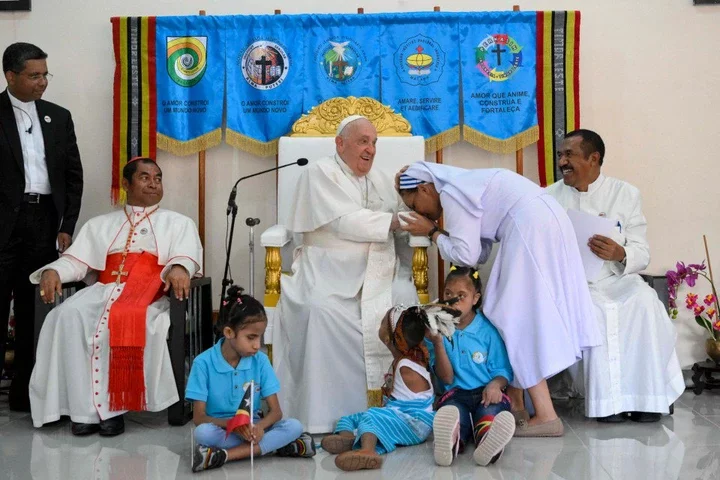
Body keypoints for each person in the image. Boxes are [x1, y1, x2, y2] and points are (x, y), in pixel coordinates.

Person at [397, 162, 602, 437]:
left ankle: (546, 415)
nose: (418, 213)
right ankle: (517, 405)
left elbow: (466, 257)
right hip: (544, 220)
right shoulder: (464, 184)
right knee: (517, 315)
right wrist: (440, 233)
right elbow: (477, 252)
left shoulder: (452, 192)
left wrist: (432, 232)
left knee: (511, 317)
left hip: (530, 226)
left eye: (415, 205)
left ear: (425, 187)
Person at [28, 157, 201, 436]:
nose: (153, 183)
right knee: (66, 315)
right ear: (126, 183)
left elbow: (186, 256)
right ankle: (83, 411)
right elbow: (76, 262)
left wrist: (180, 267)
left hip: (150, 296)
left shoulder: (179, 223)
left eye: (157, 178)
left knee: (131, 321)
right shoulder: (100, 224)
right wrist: (53, 271)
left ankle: (113, 411)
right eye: (144, 177)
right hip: (103, 291)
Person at [272, 115, 418, 433]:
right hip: (324, 266)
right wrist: (394, 222)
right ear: (340, 143)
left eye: (374, 142)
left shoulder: (379, 178)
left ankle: (385, 413)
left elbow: (402, 214)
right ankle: (320, 416)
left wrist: (413, 208)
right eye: (363, 141)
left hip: (374, 264)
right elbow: (343, 223)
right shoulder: (318, 172)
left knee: (399, 305)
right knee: (318, 310)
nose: (371, 149)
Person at [546, 129, 684, 422]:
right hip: (577, 286)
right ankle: (608, 402)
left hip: (618, 280)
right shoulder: (548, 198)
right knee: (594, 312)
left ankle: (648, 399)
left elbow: (642, 251)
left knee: (645, 302)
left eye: (569, 155)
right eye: (560, 155)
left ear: (594, 158)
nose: (562, 162)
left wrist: (620, 253)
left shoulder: (626, 194)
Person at [0, 42, 83, 411]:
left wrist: (67, 224)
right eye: (34, 75)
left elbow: (72, 175)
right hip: (3, 223)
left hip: (43, 221)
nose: (42, 82)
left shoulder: (58, 116)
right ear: (11, 76)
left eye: (45, 74)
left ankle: (25, 395)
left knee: (36, 310)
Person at [188, 286, 315, 473]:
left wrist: (259, 427)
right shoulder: (202, 363)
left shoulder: (260, 361)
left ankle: (222, 456)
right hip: (224, 430)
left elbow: (276, 412)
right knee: (203, 433)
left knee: (294, 426)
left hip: (254, 428)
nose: (257, 345)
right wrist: (235, 427)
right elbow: (199, 418)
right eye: (251, 338)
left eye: (260, 337)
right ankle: (280, 447)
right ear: (229, 333)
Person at [320, 303, 448, 471]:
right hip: (402, 417)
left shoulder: (405, 364)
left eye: (382, 324)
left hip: (415, 424)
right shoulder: (410, 358)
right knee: (350, 418)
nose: (379, 326)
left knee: (372, 416)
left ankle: (367, 450)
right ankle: (349, 439)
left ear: (388, 338)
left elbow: (400, 405)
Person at [428, 266, 516, 467]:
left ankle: (489, 441)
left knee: (489, 415)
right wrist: (438, 342)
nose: (453, 300)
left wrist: (495, 385)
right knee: (453, 415)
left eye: (462, 295)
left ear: (475, 298)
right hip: (456, 394)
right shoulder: (436, 329)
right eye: (448, 294)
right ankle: (451, 442)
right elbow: (447, 379)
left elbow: (503, 371)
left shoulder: (487, 331)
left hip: (486, 394)